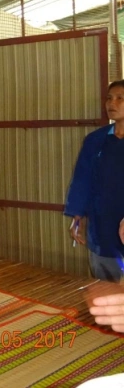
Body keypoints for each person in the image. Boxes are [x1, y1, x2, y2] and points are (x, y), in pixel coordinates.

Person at [65, 80, 124, 282]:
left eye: (119, 98)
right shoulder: (95, 140)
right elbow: (82, 179)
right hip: (103, 225)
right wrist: (77, 215)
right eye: (109, 98)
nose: (112, 103)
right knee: (105, 285)